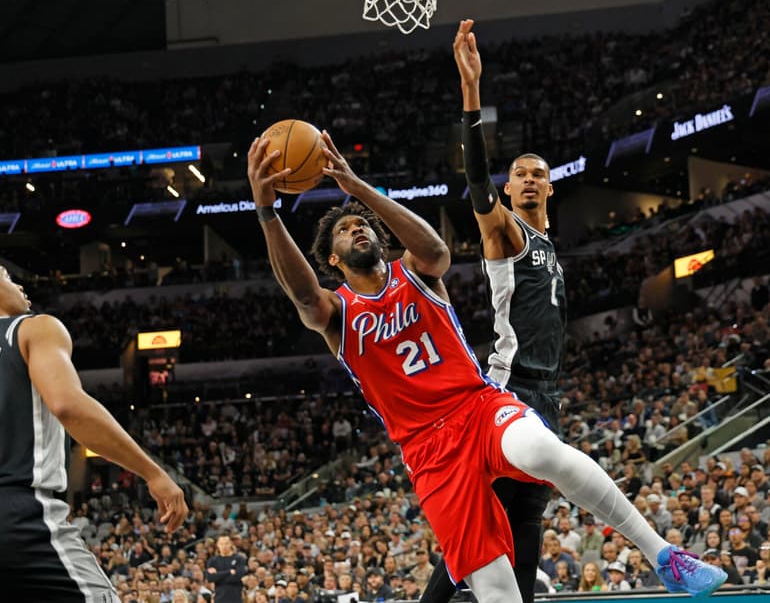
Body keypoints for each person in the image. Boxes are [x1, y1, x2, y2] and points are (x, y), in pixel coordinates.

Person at [246, 128, 725, 603]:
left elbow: (437, 250)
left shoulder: (415, 272)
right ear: (333, 257)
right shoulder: (337, 312)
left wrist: (358, 188)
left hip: (476, 406)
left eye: (365, 225)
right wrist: (267, 212)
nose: (360, 229)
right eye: (348, 231)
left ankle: (664, 556)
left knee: (542, 452)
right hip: (428, 452)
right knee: (497, 590)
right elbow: (305, 296)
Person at [0, 257, 189, 602]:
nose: (19, 286)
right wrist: (153, 473)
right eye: (8, 278)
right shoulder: (33, 328)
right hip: (15, 515)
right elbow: (67, 405)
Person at [421, 17, 567, 603]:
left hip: (549, 394)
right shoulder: (504, 234)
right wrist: (472, 92)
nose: (529, 181)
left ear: (551, 190)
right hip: (511, 391)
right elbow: (477, 181)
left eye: (539, 175)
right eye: (521, 175)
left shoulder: (552, 245)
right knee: (485, 528)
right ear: (510, 191)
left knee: (526, 518)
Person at [206, 535, 247, 603]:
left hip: (235, 598)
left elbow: (237, 576)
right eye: (221, 544)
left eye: (226, 543)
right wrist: (229, 572)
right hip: (219, 598)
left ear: (231, 544)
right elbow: (210, 578)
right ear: (217, 545)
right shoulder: (213, 561)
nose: (224, 546)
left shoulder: (239, 559)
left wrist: (218, 575)